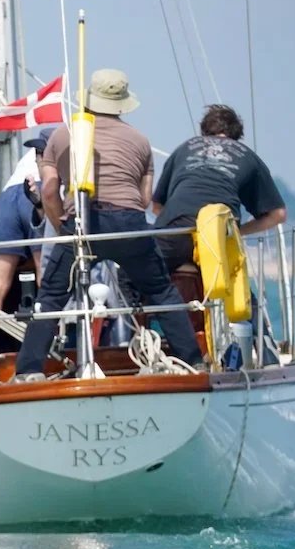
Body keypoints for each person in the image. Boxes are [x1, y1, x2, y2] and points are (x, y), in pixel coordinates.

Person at [13, 69, 203, 381]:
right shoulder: (141, 141)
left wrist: (60, 223)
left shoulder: (65, 134)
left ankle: (29, 371)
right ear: (122, 104)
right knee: (160, 291)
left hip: (82, 223)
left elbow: (48, 190)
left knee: (52, 296)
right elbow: (143, 200)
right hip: (129, 223)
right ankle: (193, 362)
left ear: (88, 100)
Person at [152, 103, 288, 273]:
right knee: (232, 288)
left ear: (204, 131)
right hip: (219, 232)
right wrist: (239, 232)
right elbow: (278, 214)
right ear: (237, 134)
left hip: (177, 227)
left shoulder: (184, 148)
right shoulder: (250, 157)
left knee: (135, 274)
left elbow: (157, 206)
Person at [0, 127, 54, 358]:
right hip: (38, 190)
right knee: (44, 273)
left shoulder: (30, 155)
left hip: (9, 195)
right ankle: (50, 346)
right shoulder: (67, 146)